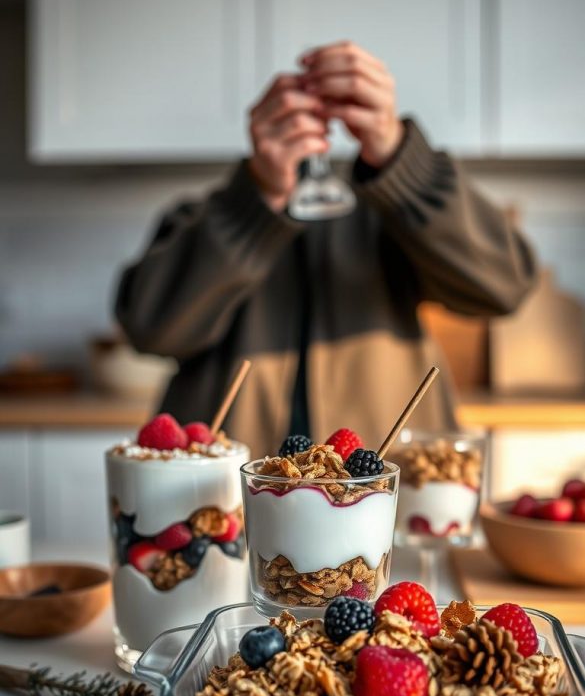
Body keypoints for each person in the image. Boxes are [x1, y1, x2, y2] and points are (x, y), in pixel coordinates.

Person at [115, 41, 537, 456]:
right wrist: (257, 199)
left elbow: (504, 285)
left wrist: (397, 156)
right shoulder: (199, 219)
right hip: (223, 502)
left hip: (389, 490)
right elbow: (151, 328)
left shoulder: (387, 220)